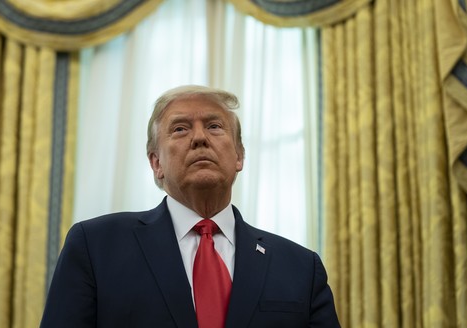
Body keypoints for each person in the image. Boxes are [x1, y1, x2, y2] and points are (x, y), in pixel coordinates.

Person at [40, 85, 340, 327]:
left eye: (214, 126)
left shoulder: (300, 267)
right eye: (181, 129)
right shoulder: (96, 246)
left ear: (239, 157)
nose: (199, 138)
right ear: (156, 163)